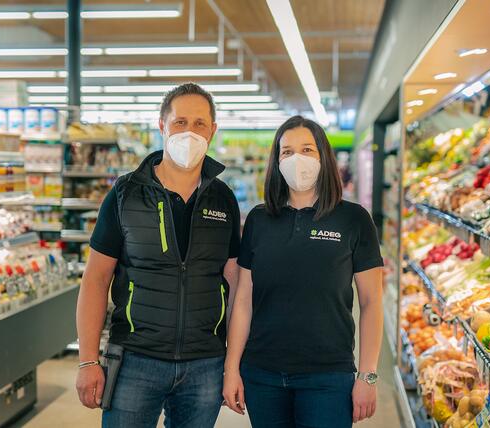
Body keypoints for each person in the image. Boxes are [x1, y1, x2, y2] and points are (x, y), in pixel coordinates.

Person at [75, 82, 241, 428]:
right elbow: (95, 279)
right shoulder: (125, 194)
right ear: (162, 125)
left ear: (212, 130)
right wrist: (88, 360)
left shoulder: (223, 200)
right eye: (180, 122)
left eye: (199, 124)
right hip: (135, 359)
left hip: (205, 363)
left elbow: (236, 282)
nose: (189, 132)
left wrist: (234, 363)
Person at [222, 115, 384, 427]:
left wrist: (368, 375)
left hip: (329, 376)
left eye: (307, 150)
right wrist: (232, 368)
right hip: (262, 374)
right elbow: (243, 300)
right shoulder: (259, 219)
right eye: (287, 152)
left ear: (324, 156)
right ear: (277, 160)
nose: (297, 159)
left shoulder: (353, 219)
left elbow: (371, 303)